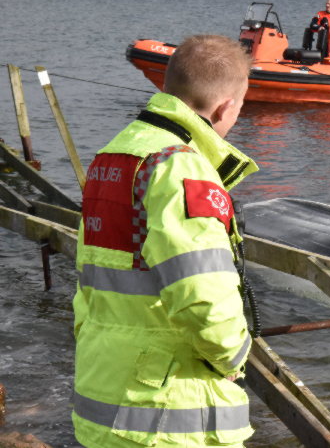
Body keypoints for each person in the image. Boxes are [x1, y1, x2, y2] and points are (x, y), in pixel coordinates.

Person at [72, 35, 259, 447]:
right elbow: (202, 291)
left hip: (104, 383)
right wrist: (233, 356)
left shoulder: (115, 154)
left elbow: (90, 275)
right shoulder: (180, 169)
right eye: (240, 107)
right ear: (227, 106)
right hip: (168, 411)